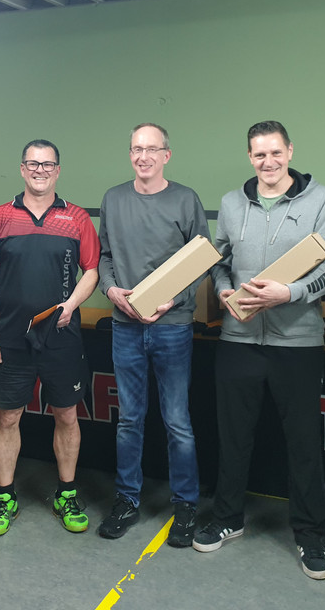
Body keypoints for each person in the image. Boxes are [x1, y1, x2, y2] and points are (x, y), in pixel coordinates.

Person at [194, 120, 325, 579]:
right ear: (250, 157)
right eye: (260, 154)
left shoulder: (319, 199)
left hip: (297, 342)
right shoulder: (231, 203)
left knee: (303, 442)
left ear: (290, 151)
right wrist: (223, 290)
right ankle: (227, 518)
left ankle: (311, 534)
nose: (269, 162)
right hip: (239, 339)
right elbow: (218, 260)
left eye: (276, 153)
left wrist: (290, 293)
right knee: (233, 436)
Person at [0, 140, 100, 537]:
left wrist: (71, 304)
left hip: (62, 337)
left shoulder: (77, 217)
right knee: (7, 417)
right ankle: (5, 498)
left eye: (47, 164)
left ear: (57, 170)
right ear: (22, 169)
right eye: (32, 163)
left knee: (67, 415)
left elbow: (92, 271)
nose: (39, 170)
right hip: (10, 339)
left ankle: (66, 494)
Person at [96, 122, 209, 548]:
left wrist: (174, 298)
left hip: (172, 327)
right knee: (129, 419)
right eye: (136, 149)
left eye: (151, 149)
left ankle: (186, 506)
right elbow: (104, 256)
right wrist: (111, 290)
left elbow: (201, 261)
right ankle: (127, 500)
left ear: (166, 155)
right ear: (130, 154)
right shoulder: (113, 198)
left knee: (177, 421)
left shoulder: (186, 199)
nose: (143, 156)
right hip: (125, 327)